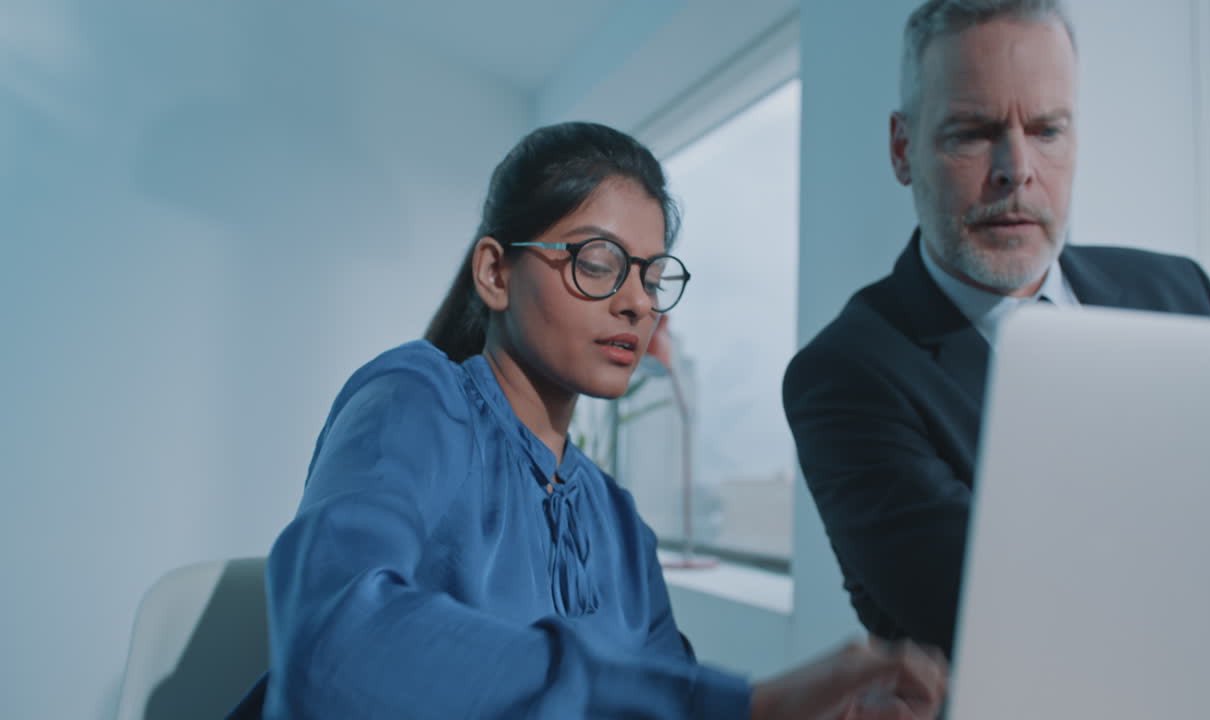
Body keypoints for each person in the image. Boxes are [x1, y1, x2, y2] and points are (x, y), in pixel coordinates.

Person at [229, 121, 947, 719]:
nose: (638, 302)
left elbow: (667, 697)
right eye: (598, 263)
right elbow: (336, 648)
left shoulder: (617, 522)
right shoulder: (416, 399)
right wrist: (745, 705)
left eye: (652, 274)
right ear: (495, 273)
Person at [783, 0, 1210, 659]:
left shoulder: (1177, 292)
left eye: (1048, 130)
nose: (1016, 169)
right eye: (971, 131)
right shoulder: (847, 375)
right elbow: (996, 615)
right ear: (903, 149)